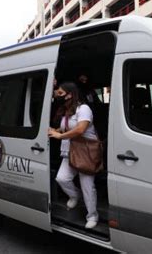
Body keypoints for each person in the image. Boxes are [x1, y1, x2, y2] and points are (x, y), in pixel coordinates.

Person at [48, 82, 99, 229]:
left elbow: (80, 129)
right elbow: (66, 128)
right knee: (61, 178)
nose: (59, 96)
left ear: (71, 94)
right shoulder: (67, 111)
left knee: (87, 185)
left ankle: (92, 216)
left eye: (61, 94)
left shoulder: (83, 109)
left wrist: (59, 136)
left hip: (85, 152)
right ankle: (76, 195)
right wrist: (54, 130)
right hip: (70, 152)